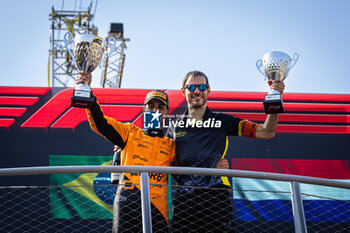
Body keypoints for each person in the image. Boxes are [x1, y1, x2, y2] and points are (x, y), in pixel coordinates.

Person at [167, 70, 285, 233]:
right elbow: (163, 159)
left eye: (202, 86)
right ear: (183, 91)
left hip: (216, 197)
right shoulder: (173, 127)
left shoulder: (221, 121)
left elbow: (266, 132)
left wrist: (275, 97)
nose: (197, 91)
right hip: (184, 199)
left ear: (208, 91)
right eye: (192, 87)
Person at [76, 71, 176, 233]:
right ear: (144, 109)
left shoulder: (172, 145)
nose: (156, 110)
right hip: (128, 200)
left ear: (166, 112)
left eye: (160, 107)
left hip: (157, 209)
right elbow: (100, 123)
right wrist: (88, 93)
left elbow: (191, 165)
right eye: (151, 106)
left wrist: (217, 164)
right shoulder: (130, 132)